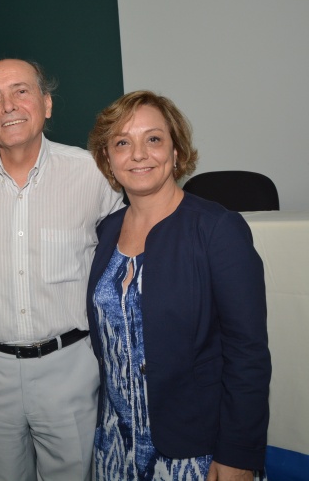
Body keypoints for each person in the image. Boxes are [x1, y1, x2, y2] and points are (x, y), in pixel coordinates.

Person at [0, 59, 123, 480]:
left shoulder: (94, 173)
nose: (9, 106)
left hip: (70, 368)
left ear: (47, 103)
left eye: (21, 91)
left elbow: (122, 268)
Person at [86, 90, 271, 480]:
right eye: (122, 142)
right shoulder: (106, 232)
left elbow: (248, 353)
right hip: (116, 445)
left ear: (175, 153)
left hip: (192, 451)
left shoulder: (218, 230)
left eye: (153, 139)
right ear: (108, 159)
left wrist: (238, 454)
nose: (138, 154)